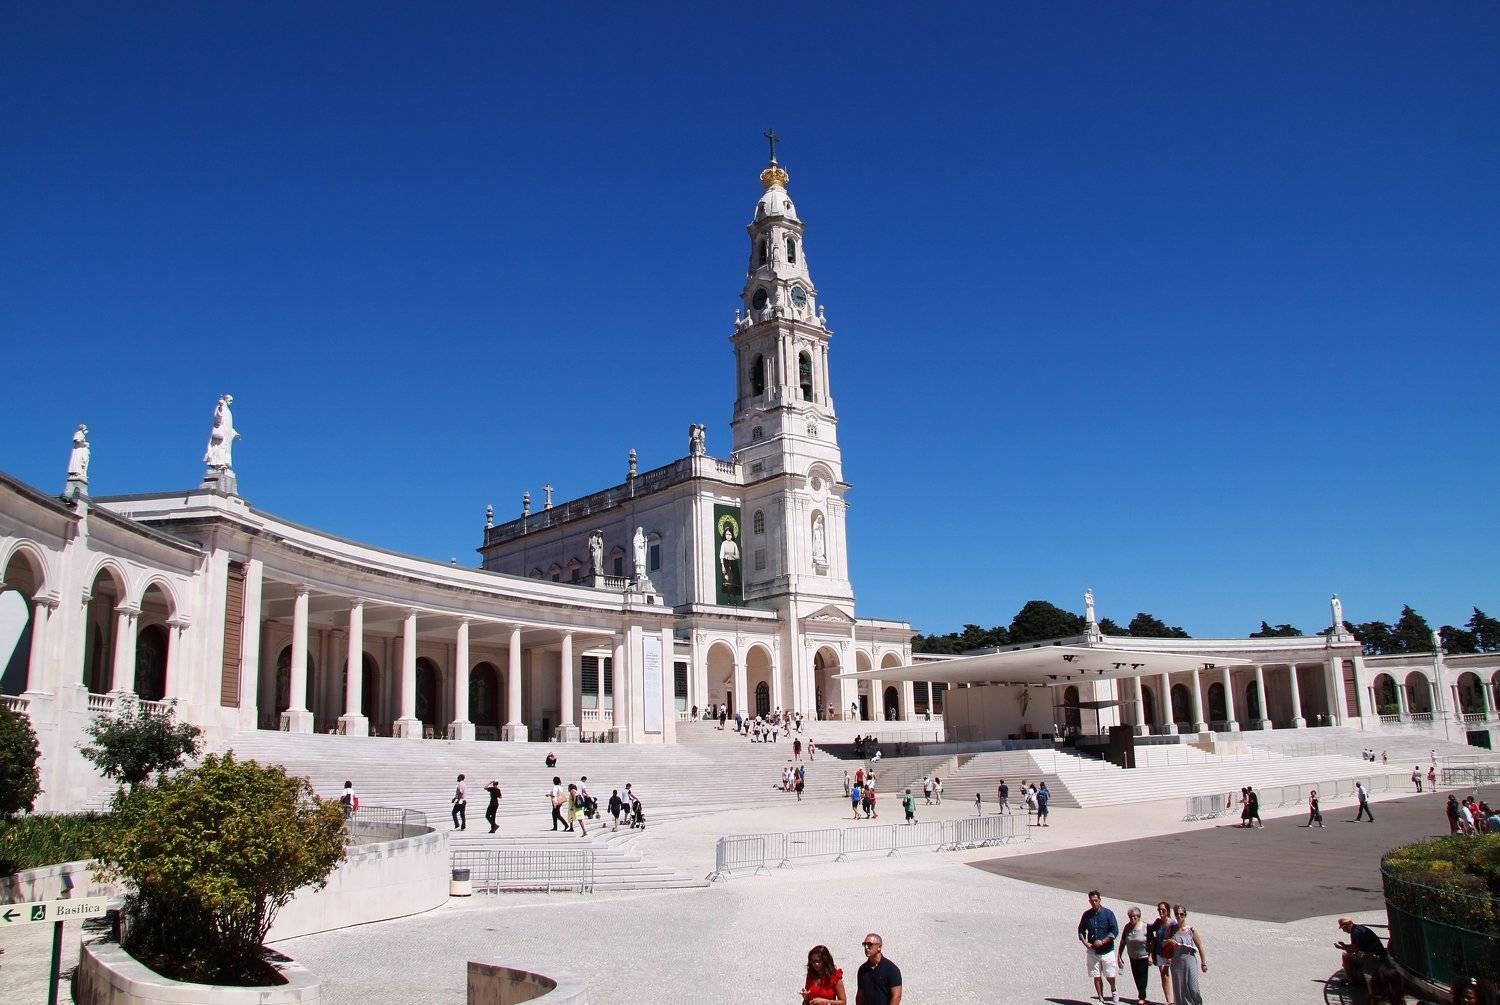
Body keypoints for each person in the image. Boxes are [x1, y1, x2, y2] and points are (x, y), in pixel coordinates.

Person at [1078, 890, 1120, 1004]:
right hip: (1093, 951)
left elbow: (1114, 930)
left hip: (1107, 950)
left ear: (1100, 900)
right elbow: (1081, 930)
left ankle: (1113, 989)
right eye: (1092, 901)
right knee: (1096, 975)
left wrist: (1103, 941)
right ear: (1089, 901)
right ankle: (1101, 998)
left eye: (1096, 900)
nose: (1094, 903)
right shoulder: (1086, 915)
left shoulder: (1108, 914)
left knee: (1110, 975)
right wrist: (1085, 943)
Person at [1165, 905, 1207, 1005]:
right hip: (1177, 962)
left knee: (1193, 987)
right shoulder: (1172, 929)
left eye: (1181, 914)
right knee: (1180, 989)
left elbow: (1200, 946)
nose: (1179, 916)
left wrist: (1203, 963)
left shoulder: (1191, 930)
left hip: (1190, 960)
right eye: (1177, 914)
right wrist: (1170, 941)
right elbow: (1163, 943)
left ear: (1185, 915)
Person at [1335, 916, 1388, 989]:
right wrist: (1345, 945)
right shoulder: (1358, 928)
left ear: (1346, 926)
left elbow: (1355, 949)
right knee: (1350, 955)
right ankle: (1354, 976)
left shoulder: (1355, 933)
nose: (1343, 931)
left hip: (1373, 955)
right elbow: (1356, 946)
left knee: (1346, 956)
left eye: (1343, 928)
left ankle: (1351, 980)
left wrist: (1341, 947)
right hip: (1374, 952)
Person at [1117, 906, 1151, 1005]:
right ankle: (1140, 993)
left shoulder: (1145, 927)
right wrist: (1119, 956)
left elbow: (1152, 942)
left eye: (1135, 916)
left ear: (1139, 916)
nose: (1132, 918)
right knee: (1136, 976)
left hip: (1143, 956)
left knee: (1142, 976)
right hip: (1132, 956)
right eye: (1131, 916)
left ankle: (1142, 997)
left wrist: (1151, 956)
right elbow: (1123, 942)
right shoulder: (1127, 927)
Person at [856, 933, 902, 1005]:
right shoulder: (862, 970)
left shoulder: (891, 969)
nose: (866, 947)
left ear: (879, 947)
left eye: (869, 944)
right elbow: (860, 995)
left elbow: (896, 996)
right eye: (864, 944)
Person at [1146, 902, 1176, 1005]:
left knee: (1174, 975)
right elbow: (1149, 930)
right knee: (1164, 975)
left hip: (1170, 953)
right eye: (1159, 910)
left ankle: (1176, 998)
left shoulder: (1172, 923)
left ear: (1167, 911)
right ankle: (1169, 1001)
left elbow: (1175, 938)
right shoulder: (1158, 922)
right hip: (1159, 952)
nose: (1161, 911)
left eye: (1163, 910)